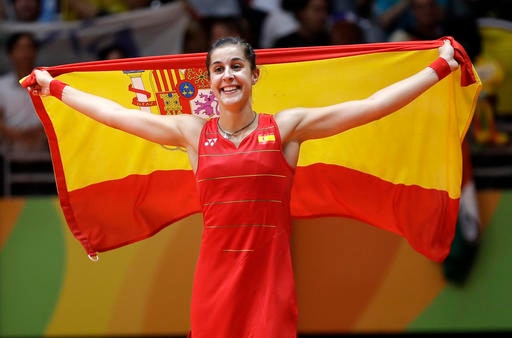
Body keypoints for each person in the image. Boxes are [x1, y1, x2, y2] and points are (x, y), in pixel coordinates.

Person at [26, 36, 459, 337]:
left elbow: (368, 108)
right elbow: (118, 116)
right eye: (218, 69)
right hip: (214, 280)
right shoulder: (193, 132)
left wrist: (438, 68)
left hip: (270, 280)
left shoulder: (286, 128)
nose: (227, 75)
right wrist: (55, 88)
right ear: (210, 81)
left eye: (236, 66)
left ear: (254, 76)